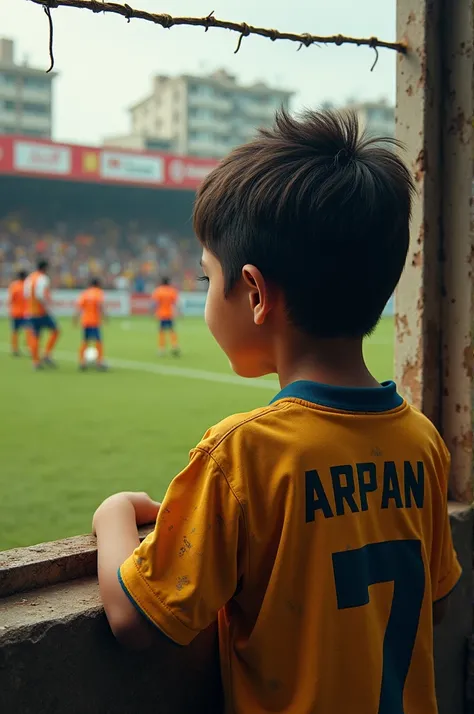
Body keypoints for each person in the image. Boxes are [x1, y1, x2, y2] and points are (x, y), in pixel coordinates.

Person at [92, 110, 461, 714]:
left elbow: (135, 620)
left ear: (256, 294)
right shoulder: (421, 441)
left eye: (207, 277)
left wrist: (112, 517)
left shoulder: (243, 454)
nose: (205, 295)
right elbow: (436, 602)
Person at [24, 259, 60, 370]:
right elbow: (41, 295)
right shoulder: (43, 278)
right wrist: (48, 305)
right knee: (55, 330)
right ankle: (47, 354)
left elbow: (26, 294)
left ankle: (35, 362)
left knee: (35, 335)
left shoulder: (30, 278)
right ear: (45, 268)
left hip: (31, 311)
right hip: (41, 311)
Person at [75, 277, 108, 371]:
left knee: (85, 341)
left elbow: (79, 307)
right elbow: (100, 306)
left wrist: (75, 319)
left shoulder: (85, 293)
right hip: (94, 321)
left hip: (85, 321)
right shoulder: (98, 293)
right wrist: (105, 317)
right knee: (98, 341)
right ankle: (99, 362)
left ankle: (82, 362)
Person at [150, 277, 180, 357]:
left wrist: (152, 312)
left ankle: (161, 349)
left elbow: (155, 303)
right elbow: (175, 303)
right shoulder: (172, 291)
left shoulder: (158, 291)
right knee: (172, 330)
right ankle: (175, 346)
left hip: (161, 315)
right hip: (170, 314)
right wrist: (179, 312)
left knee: (161, 331)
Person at [8, 269, 28, 356]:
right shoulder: (27, 285)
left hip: (15, 312)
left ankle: (14, 349)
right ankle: (29, 347)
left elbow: (11, 299)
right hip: (25, 312)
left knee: (15, 331)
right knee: (29, 330)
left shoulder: (14, 286)